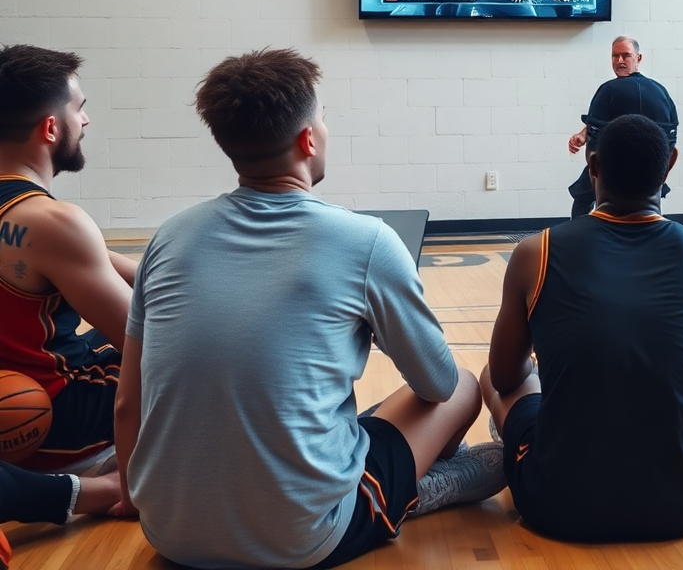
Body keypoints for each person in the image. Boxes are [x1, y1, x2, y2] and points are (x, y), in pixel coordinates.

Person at [112, 48, 504, 569]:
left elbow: (126, 406)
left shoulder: (168, 238)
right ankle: (415, 492)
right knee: (463, 385)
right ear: (308, 139)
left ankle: (387, 474)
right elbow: (435, 384)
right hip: (303, 541)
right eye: (323, 116)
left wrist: (133, 497)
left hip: (167, 532)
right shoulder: (365, 241)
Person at [481, 114, 683, 543]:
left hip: (558, 504)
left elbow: (503, 378)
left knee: (492, 378)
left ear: (593, 165)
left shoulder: (535, 252)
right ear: (670, 164)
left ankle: (524, 441)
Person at [0, 44, 137, 477]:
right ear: (51, 128)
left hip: (13, 383)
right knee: (200, 354)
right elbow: (151, 342)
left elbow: (124, 269)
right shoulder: (54, 223)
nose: (85, 120)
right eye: (79, 108)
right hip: (50, 419)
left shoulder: (38, 220)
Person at [567, 37, 677, 217]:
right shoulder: (660, 92)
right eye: (614, 56)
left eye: (625, 56)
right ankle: (652, 238)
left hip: (611, 166)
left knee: (583, 196)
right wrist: (582, 134)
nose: (619, 61)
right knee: (651, 198)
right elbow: (600, 124)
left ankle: (578, 241)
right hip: (650, 168)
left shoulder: (608, 91)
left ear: (638, 58)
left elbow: (597, 135)